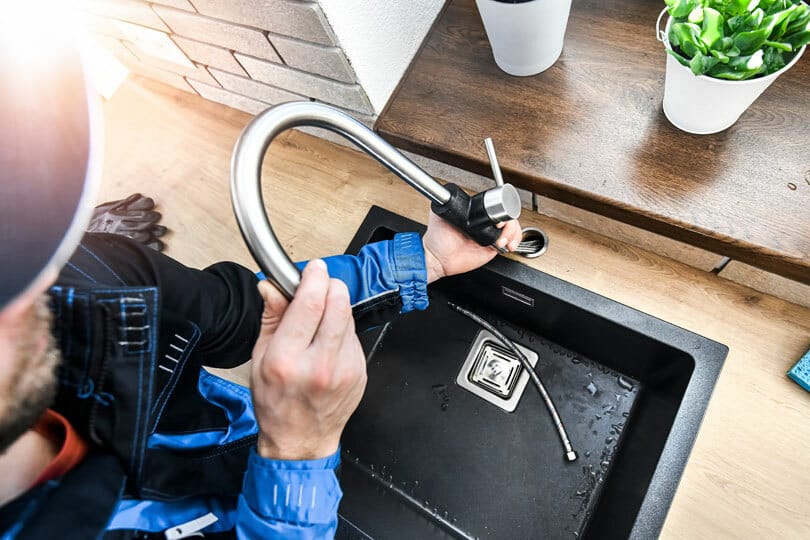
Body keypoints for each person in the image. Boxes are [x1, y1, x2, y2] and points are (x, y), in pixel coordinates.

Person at [0, 37, 523, 539]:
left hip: (235, 440)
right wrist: (295, 456)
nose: (33, 289)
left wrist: (424, 260)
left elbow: (244, 313)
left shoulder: (80, 276)